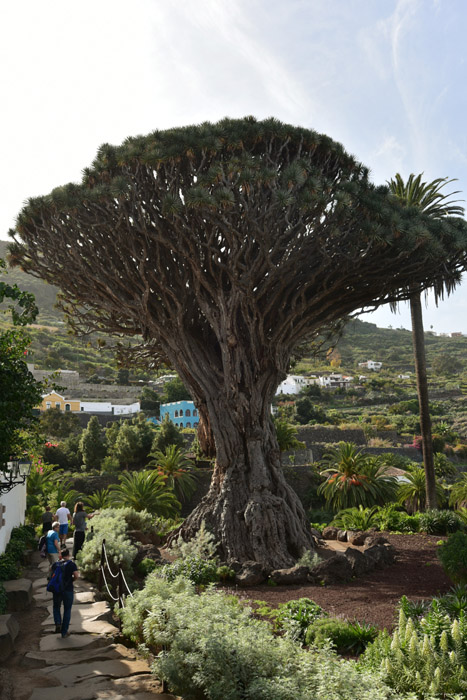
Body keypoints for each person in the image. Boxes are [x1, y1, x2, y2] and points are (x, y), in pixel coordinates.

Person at [50, 547, 79, 637]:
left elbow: (51, 575)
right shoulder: (71, 564)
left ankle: (58, 623)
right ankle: (64, 632)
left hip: (57, 590)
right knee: (67, 610)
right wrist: (71, 581)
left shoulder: (55, 564)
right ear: (69, 555)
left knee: (56, 607)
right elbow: (76, 575)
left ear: (61, 556)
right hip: (68, 589)